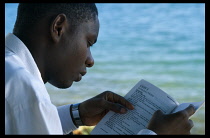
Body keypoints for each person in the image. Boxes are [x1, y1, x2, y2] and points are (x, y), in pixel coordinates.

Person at [5, 3, 195, 135]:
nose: (90, 60)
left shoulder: (11, 70)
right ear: (58, 27)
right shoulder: (23, 85)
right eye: (89, 42)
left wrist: (76, 115)